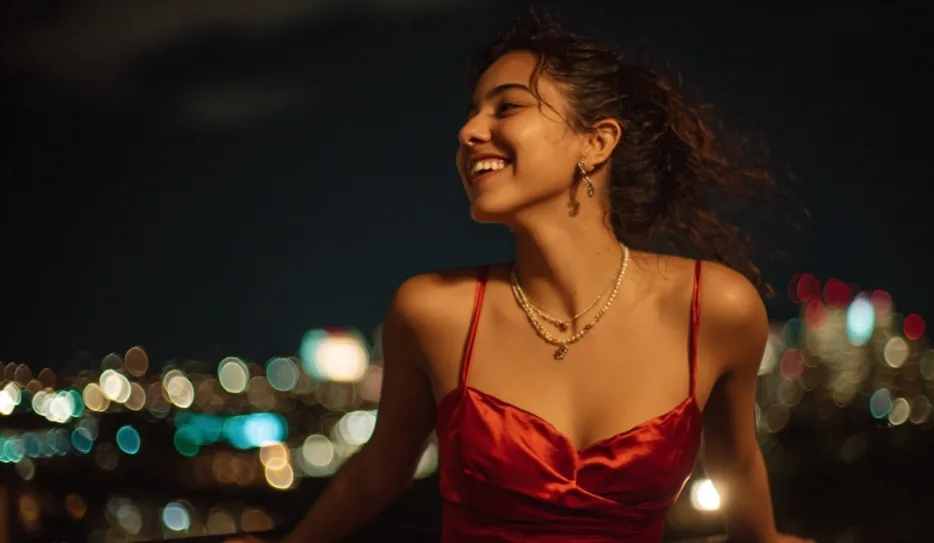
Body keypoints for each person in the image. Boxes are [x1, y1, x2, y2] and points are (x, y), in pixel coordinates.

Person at [231, 7, 811, 543]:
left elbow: (737, 467)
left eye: (506, 107)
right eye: (470, 114)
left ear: (597, 141)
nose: (468, 132)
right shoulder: (432, 310)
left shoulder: (715, 308)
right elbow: (377, 476)